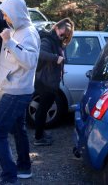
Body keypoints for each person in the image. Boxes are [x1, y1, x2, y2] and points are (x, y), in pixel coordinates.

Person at [0, 0, 40, 185]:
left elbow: (30, 60)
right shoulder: (18, 30)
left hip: (17, 92)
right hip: (15, 88)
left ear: (15, 13)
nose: (4, 18)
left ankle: (10, 178)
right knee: (18, 129)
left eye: (6, 14)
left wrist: (10, 42)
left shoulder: (28, 32)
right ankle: (24, 168)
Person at [33, 18, 74, 146]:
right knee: (42, 110)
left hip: (50, 81)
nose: (64, 37)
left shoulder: (56, 41)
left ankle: (41, 133)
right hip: (45, 81)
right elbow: (39, 54)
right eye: (63, 34)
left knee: (44, 109)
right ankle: (38, 138)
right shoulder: (48, 40)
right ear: (56, 28)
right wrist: (56, 58)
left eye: (66, 35)